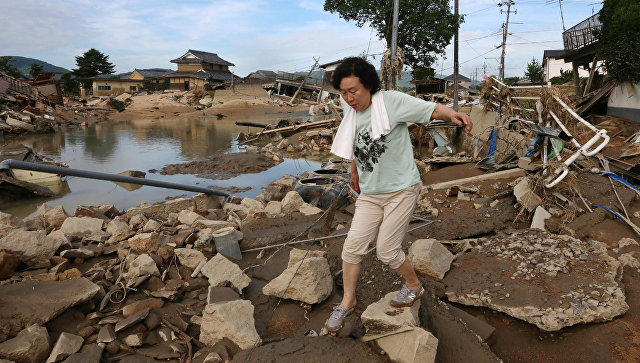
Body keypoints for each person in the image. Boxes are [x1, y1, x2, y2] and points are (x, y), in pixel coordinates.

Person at [325, 57, 472, 333]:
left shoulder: (391, 101)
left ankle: (414, 286)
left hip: (401, 190)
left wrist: (453, 115)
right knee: (352, 248)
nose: (348, 98)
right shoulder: (351, 112)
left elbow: (430, 109)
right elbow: (356, 146)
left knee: (387, 251)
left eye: (353, 91)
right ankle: (348, 300)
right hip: (370, 192)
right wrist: (354, 173)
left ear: (368, 84)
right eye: (343, 93)